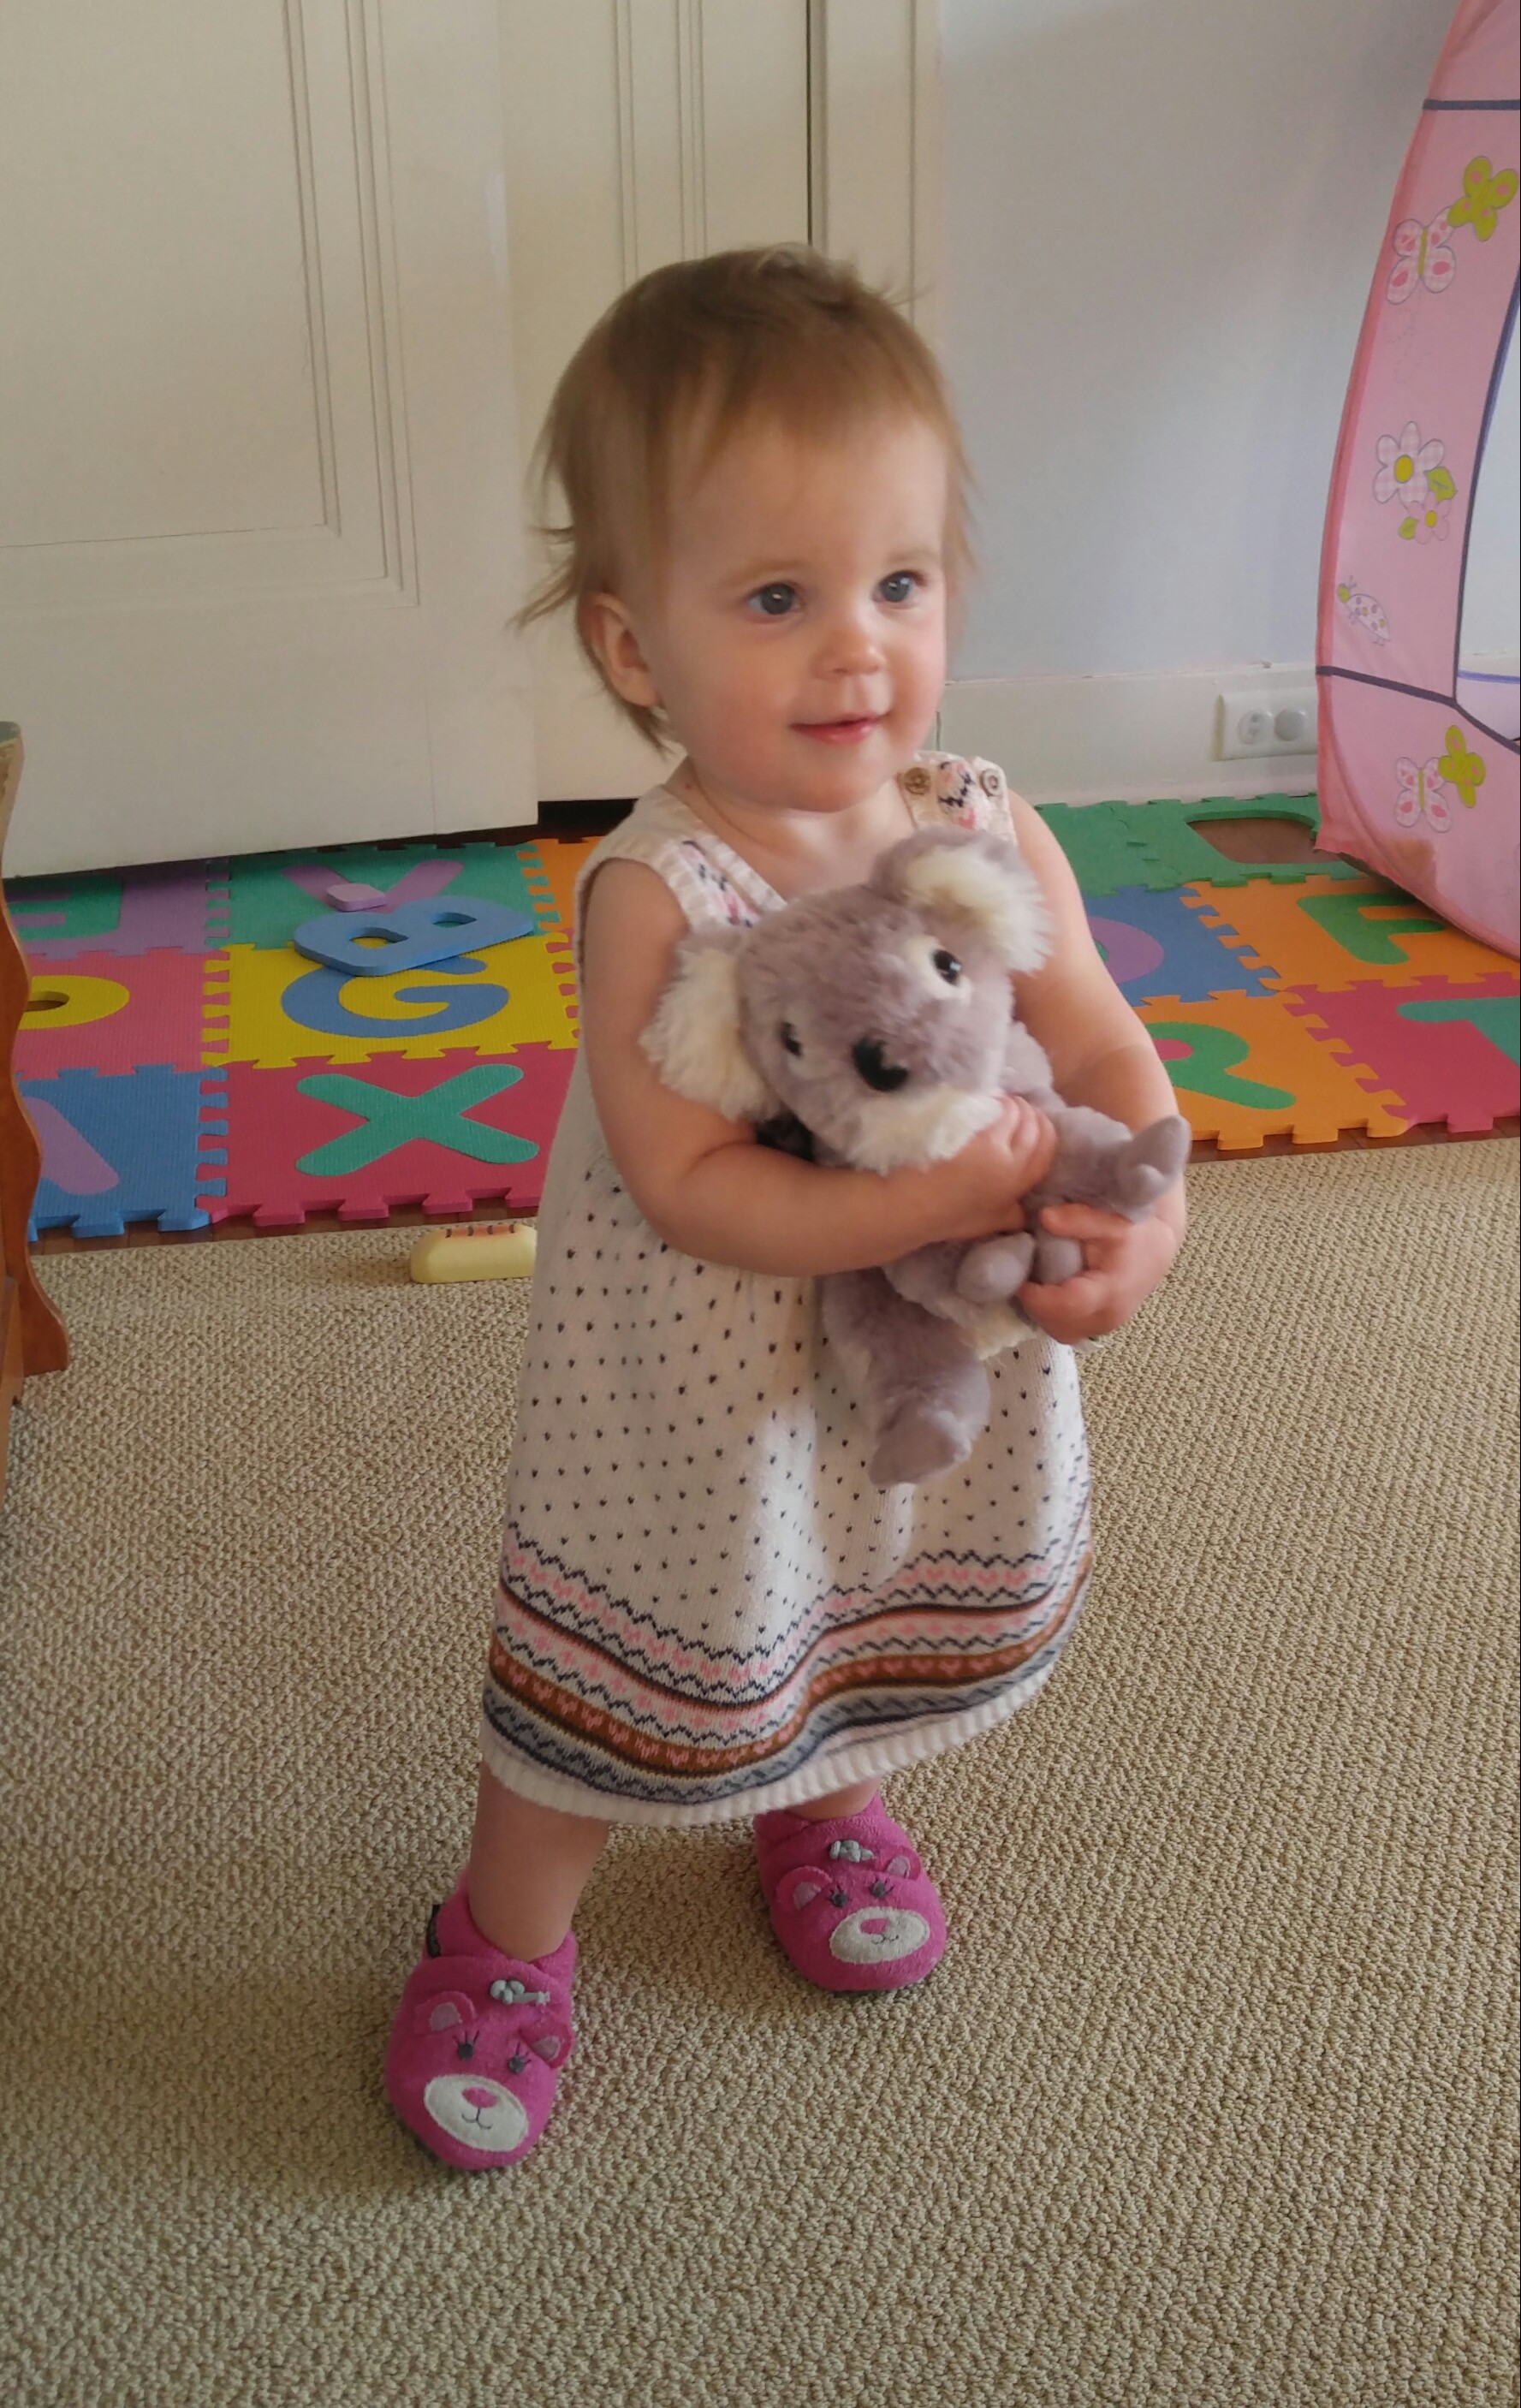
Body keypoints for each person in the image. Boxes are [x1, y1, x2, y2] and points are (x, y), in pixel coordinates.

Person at [385, 247, 1186, 2170]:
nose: (856, 649)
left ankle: (819, 1797)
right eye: (776, 598)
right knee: (658, 1647)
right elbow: (690, 1185)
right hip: (702, 1395)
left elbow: (1098, 1034)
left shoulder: (980, 820)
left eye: (898, 583)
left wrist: (1140, 1215)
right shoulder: (661, 894)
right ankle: (502, 1936)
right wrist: (949, 1186)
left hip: (924, 1357)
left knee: (857, 1603)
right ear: (632, 648)